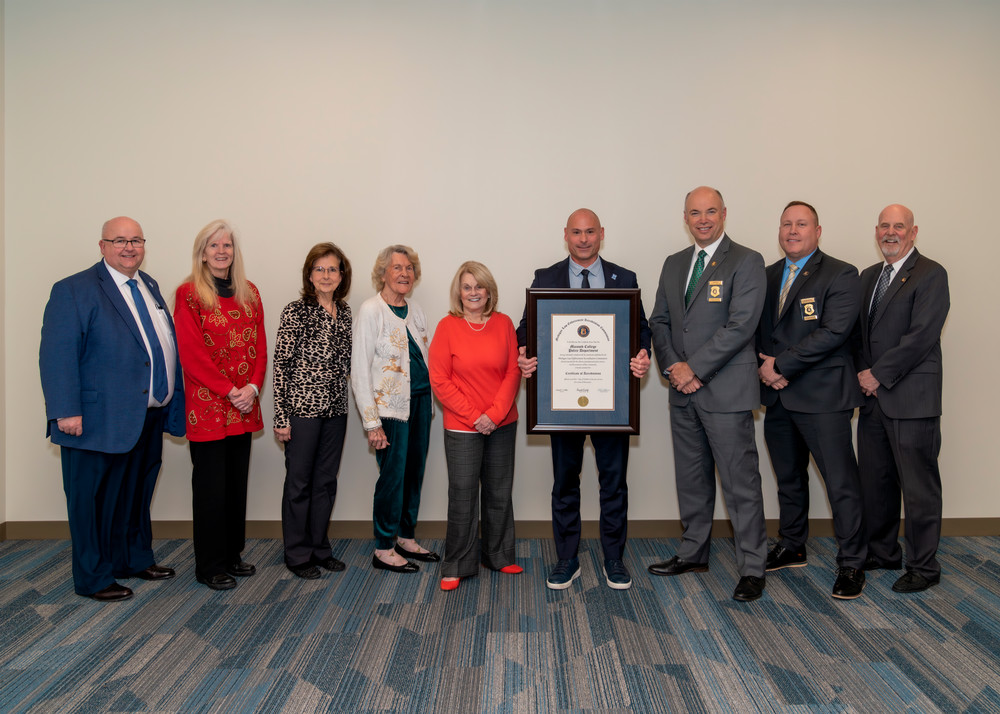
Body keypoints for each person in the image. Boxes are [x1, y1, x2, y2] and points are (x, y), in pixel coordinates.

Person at [39, 216, 185, 601]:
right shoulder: (74, 289)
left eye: (136, 240)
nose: (129, 247)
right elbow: (57, 356)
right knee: (93, 504)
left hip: (145, 415)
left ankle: (133, 558)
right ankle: (94, 577)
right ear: (102, 246)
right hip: (94, 421)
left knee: (135, 495)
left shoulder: (147, 285)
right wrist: (65, 411)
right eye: (119, 240)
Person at [516, 208, 651, 591]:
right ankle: (567, 558)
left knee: (614, 484)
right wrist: (524, 352)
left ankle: (613, 558)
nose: (584, 239)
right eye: (576, 232)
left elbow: (641, 329)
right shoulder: (546, 278)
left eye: (590, 232)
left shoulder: (624, 278)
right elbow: (526, 327)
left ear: (601, 234)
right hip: (561, 404)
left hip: (613, 404)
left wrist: (644, 356)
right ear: (566, 235)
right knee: (565, 483)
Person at [647, 186, 768, 602]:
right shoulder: (674, 263)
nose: (703, 219)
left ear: (724, 214)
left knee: (741, 483)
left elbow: (741, 325)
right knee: (691, 480)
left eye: (710, 211)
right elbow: (659, 322)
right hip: (683, 393)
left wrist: (693, 368)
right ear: (686, 217)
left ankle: (753, 566)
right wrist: (674, 369)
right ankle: (693, 552)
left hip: (726, 391)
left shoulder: (747, 261)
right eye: (695, 213)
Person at [756, 201, 867, 599]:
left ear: (818, 231)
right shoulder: (767, 275)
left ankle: (853, 562)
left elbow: (834, 332)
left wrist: (781, 365)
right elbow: (754, 331)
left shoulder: (841, 273)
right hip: (779, 398)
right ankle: (792, 544)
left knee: (841, 483)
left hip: (823, 397)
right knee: (789, 479)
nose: (792, 230)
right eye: (786, 223)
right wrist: (766, 367)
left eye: (801, 224)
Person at [854, 204, 949, 593]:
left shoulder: (931, 273)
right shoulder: (868, 276)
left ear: (913, 232)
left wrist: (877, 374)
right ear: (876, 231)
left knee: (918, 487)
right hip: (873, 398)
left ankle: (924, 566)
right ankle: (883, 552)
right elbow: (859, 335)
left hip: (911, 398)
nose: (890, 232)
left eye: (899, 226)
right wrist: (864, 376)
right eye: (884, 226)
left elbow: (922, 336)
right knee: (876, 482)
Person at [174, 219, 267, 591]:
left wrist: (253, 388)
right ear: (202, 252)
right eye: (213, 246)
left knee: (235, 485)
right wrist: (230, 390)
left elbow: (259, 347)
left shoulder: (250, 291)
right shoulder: (188, 294)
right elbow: (192, 355)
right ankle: (209, 564)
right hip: (209, 407)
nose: (221, 251)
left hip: (244, 406)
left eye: (226, 245)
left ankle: (232, 554)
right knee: (211, 489)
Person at [429, 261, 523, 592]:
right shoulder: (447, 327)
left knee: (499, 492)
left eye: (479, 286)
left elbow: (513, 372)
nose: (473, 293)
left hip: (502, 423)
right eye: (467, 287)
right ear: (459, 292)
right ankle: (456, 564)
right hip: (463, 426)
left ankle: (498, 555)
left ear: (489, 291)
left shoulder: (504, 323)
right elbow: (439, 380)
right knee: (463, 496)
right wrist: (475, 416)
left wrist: (494, 415)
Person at [351, 245, 439, 573]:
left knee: (414, 473)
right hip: (389, 410)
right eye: (397, 268)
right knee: (392, 477)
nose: (404, 274)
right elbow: (359, 370)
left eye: (409, 268)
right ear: (384, 273)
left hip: (419, 404)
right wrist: (372, 423)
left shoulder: (415, 310)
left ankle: (405, 535)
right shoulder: (371, 310)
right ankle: (384, 546)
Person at [273, 243, 353, 579]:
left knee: (325, 483)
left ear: (341, 275)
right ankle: (297, 553)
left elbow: (349, 363)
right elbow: (281, 364)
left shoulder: (346, 313)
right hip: (302, 411)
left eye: (332, 269)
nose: (325, 275)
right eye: (319, 269)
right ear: (310, 274)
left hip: (336, 409)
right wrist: (280, 416)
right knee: (300, 483)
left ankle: (320, 548)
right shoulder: (296, 311)